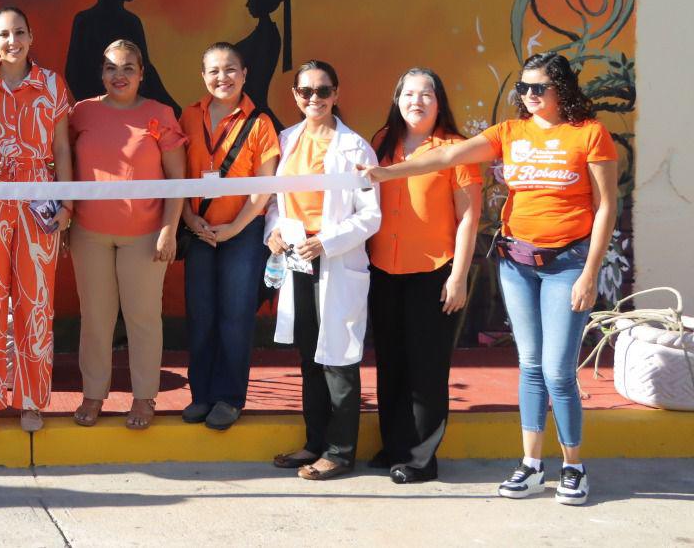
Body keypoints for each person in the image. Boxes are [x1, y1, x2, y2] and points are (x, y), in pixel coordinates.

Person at [365, 52, 618, 506]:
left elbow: (605, 208)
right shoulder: (509, 133)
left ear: (561, 87)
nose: (529, 95)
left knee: (559, 372)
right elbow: (447, 154)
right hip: (517, 263)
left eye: (539, 87)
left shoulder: (589, 134)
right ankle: (532, 465)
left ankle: (574, 467)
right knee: (531, 366)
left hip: (567, 266)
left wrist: (590, 272)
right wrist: (388, 172)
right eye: (524, 88)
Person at [265, 59, 380, 481]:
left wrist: (327, 241)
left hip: (334, 258)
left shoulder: (356, 148)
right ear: (295, 96)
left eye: (323, 91)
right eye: (306, 91)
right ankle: (314, 444)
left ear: (337, 94)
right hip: (297, 257)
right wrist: (274, 232)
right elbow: (275, 200)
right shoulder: (287, 139)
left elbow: (371, 216)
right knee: (309, 355)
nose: (314, 98)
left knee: (339, 358)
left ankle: (340, 452)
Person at [365, 68, 481, 484]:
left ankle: (420, 458)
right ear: (397, 99)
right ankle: (395, 446)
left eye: (426, 94)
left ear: (439, 101)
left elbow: (469, 216)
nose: (417, 101)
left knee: (427, 368)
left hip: (434, 271)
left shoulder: (455, 148)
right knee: (391, 363)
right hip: (383, 268)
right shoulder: (383, 143)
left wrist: (459, 276)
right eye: (409, 94)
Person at [0, 7, 73, 434]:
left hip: (38, 191)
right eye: (4, 34)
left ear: (31, 36)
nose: (13, 41)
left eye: (20, 33)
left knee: (36, 301)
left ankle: (31, 401)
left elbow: (61, 146)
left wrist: (65, 200)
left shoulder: (51, 83)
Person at [67, 39, 187, 431]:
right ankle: (93, 393)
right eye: (111, 68)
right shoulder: (81, 113)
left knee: (142, 318)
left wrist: (169, 230)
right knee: (95, 319)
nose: (119, 76)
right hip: (89, 234)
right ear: (101, 73)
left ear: (142, 73)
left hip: (145, 236)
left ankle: (144, 396)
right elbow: (59, 159)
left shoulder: (160, 114)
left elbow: (177, 180)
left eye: (128, 68)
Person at [178, 42, 280, 431]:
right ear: (204, 76)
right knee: (201, 315)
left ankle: (229, 398)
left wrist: (235, 228)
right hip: (199, 229)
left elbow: (265, 185)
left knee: (235, 317)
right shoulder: (188, 116)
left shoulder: (261, 123)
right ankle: (200, 395)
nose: (223, 78)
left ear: (245, 73)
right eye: (215, 71)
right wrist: (189, 217)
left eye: (231, 69)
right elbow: (179, 178)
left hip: (243, 232)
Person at [64, 0, 177, 111]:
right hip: (101, 114)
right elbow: (74, 73)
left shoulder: (131, 22)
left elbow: (146, 72)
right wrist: (98, 108)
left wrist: (172, 108)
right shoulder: (86, 21)